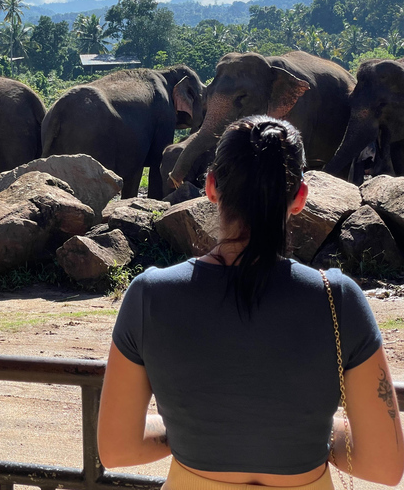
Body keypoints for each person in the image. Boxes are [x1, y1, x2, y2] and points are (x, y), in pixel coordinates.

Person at [97, 115, 404, 489]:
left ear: (210, 186)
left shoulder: (150, 295)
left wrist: (193, 425)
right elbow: (384, 465)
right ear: (300, 198)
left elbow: (116, 449)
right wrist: (306, 431)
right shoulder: (338, 299)